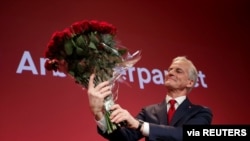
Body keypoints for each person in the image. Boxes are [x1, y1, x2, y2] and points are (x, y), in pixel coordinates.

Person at [87, 56, 213, 141]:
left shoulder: (201, 112)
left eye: (178, 71)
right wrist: (99, 114)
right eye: (170, 70)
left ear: (190, 83)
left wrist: (140, 125)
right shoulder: (149, 111)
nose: (170, 73)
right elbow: (125, 137)